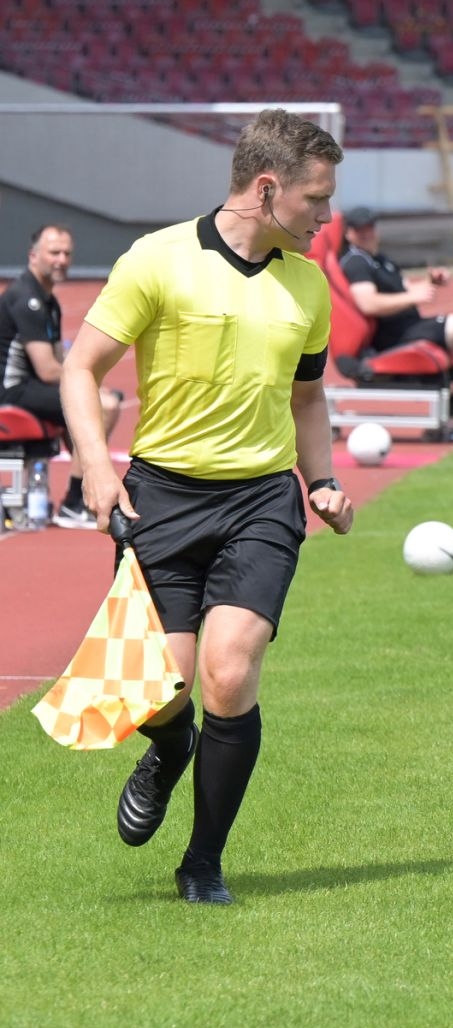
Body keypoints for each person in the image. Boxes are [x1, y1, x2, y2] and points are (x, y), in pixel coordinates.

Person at [60, 108, 355, 904]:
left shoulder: (307, 285)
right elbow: (80, 369)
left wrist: (320, 479)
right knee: (165, 690)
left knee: (231, 671)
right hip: (161, 496)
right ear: (267, 189)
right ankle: (166, 746)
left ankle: (203, 863)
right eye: (315, 201)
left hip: (261, 499)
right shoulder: (157, 259)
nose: (326, 219)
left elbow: (307, 395)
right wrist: (95, 466)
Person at [337, 206, 453, 430]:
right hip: (392, 336)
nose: (367, 233)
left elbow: (404, 289)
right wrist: (413, 296)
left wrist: (430, 282)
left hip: (409, 326)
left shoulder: (378, 259)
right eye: (359, 229)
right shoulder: (356, 263)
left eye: (370, 228)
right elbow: (368, 303)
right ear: (348, 233)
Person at [0, 224, 123, 527]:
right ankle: (74, 502)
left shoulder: (47, 300)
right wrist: (90, 386)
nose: (62, 259)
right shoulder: (26, 298)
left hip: (32, 386)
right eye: (54, 252)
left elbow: (61, 360)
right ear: (33, 255)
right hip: (13, 390)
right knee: (101, 405)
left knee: (91, 398)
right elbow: (48, 368)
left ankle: (80, 492)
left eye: (67, 253)